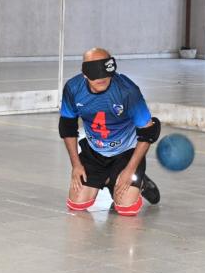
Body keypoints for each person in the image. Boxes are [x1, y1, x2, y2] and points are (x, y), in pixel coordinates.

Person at [58, 48, 161, 216]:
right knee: (77, 203)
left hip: (126, 152)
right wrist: (76, 165)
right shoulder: (73, 88)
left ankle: (138, 181)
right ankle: (109, 179)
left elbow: (148, 133)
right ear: (84, 73)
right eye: (94, 73)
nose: (101, 78)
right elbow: (67, 127)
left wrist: (129, 171)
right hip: (95, 152)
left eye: (106, 72)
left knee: (126, 208)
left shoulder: (127, 91)